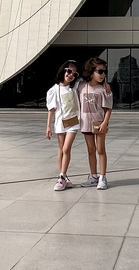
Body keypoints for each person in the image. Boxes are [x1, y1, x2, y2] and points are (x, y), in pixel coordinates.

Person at [78, 57, 113, 190]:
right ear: (91, 71)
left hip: (99, 123)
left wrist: (105, 123)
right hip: (85, 123)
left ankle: (102, 177)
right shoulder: (81, 86)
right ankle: (93, 176)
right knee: (91, 150)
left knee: (100, 149)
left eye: (105, 72)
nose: (103, 74)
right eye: (100, 71)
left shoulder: (104, 89)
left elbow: (108, 109)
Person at [46, 61, 80, 190]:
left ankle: (62, 176)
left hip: (73, 123)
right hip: (60, 123)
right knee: (61, 149)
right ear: (63, 71)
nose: (71, 75)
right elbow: (52, 109)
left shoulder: (76, 87)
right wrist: (48, 126)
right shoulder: (54, 90)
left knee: (66, 149)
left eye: (74, 73)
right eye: (69, 71)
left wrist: (104, 84)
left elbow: (90, 82)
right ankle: (63, 177)